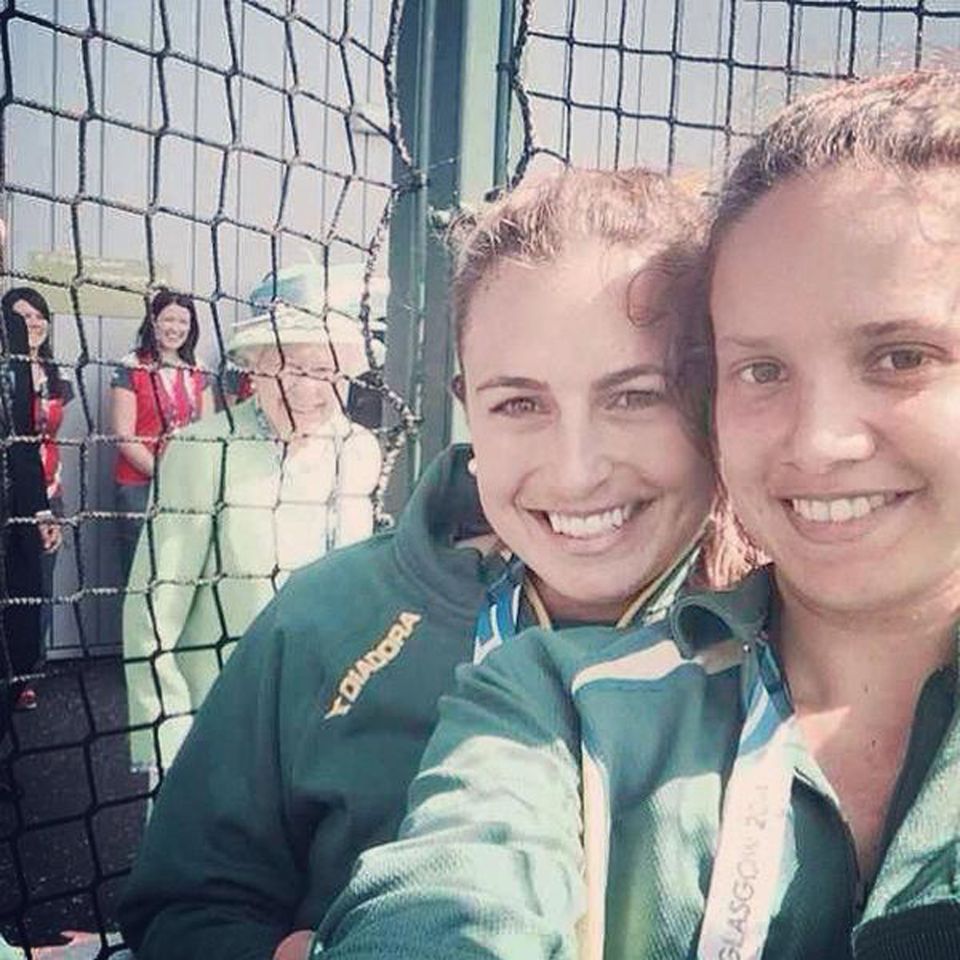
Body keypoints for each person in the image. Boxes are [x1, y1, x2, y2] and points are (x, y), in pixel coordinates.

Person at [312, 70, 960, 960]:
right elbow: (454, 898)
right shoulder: (555, 699)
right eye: (762, 369)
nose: (819, 442)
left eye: (900, 356)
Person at [118, 168, 746, 960]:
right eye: (520, 403)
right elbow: (185, 908)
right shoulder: (324, 618)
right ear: (468, 405)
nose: (578, 469)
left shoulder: (805, 640)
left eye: (635, 396)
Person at [121, 263, 383, 779]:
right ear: (257, 369)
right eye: (294, 367)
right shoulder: (202, 449)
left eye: (328, 371)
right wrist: (166, 734)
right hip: (216, 724)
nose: (311, 391)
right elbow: (155, 604)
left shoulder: (360, 451)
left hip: (324, 723)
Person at [110, 288, 211, 580]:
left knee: (179, 574)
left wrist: (190, 478)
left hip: (188, 488)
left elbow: (207, 432)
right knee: (140, 576)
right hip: (139, 489)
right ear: (153, 321)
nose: (175, 328)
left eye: (183, 322)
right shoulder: (131, 367)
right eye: (168, 320)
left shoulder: (198, 369)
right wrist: (165, 474)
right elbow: (124, 436)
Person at [1, 287, 73, 657]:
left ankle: (30, 666)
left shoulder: (53, 374)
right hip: (9, 493)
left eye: (38, 315)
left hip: (48, 489)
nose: (32, 322)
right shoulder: (6, 371)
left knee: (38, 582)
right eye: (22, 315)